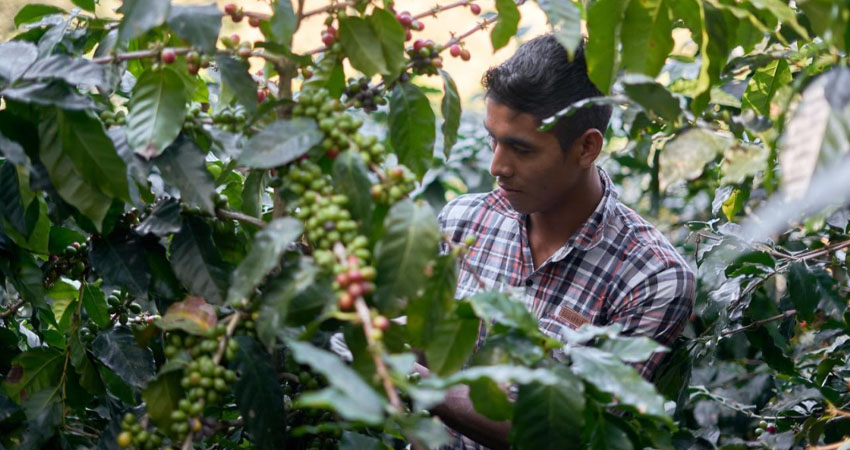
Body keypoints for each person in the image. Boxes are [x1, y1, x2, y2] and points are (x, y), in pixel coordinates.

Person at [412, 34, 696, 449]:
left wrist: (415, 383)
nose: (497, 166)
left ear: (586, 147)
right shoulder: (461, 221)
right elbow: (424, 347)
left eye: (521, 150)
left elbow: (573, 435)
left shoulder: (652, 279)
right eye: (493, 139)